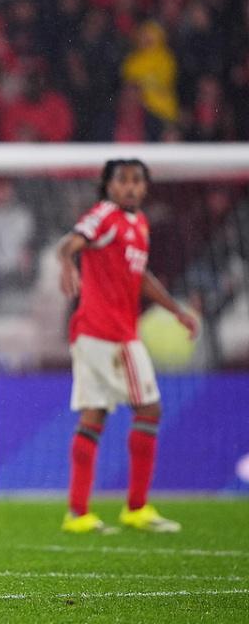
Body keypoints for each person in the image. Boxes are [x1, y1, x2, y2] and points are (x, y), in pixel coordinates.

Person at [56, 159, 198, 534]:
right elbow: (70, 242)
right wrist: (67, 261)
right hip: (109, 335)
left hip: (101, 333)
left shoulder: (139, 224)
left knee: (95, 416)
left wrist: (176, 311)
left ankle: (79, 514)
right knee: (148, 409)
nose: (131, 187)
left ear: (146, 187)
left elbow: (140, 276)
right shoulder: (105, 215)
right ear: (109, 185)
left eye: (137, 181)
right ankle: (134, 507)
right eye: (123, 180)